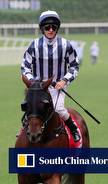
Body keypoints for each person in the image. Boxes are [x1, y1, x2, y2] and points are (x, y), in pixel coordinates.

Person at [20, 10, 80, 142]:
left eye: (54, 27)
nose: (51, 30)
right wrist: (33, 83)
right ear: (42, 28)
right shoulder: (34, 45)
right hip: (38, 88)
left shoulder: (66, 45)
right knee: (30, 109)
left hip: (56, 87)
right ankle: (23, 131)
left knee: (58, 109)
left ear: (57, 28)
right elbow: (25, 67)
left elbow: (75, 65)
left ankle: (74, 128)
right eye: (47, 27)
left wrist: (64, 81)